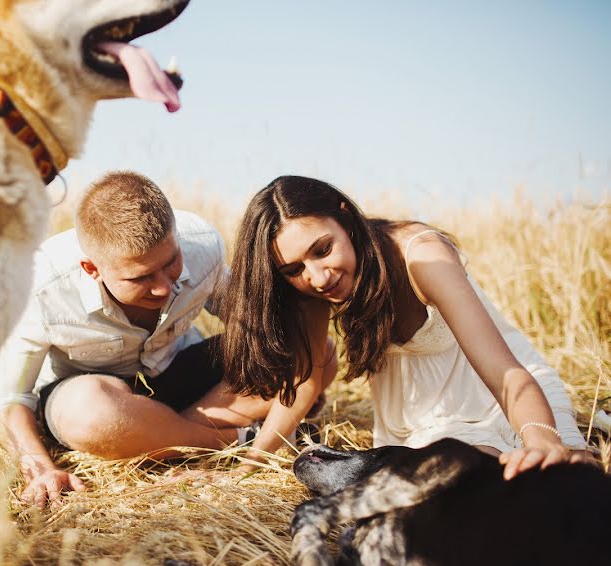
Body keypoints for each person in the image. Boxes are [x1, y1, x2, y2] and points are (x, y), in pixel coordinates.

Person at [0, 172, 335, 507]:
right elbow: (8, 397)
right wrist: (40, 468)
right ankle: (232, 441)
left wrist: (286, 361)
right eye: (140, 277)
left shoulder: (202, 244)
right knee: (88, 415)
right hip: (97, 395)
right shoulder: (37, 286)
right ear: (92, 269)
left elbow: (259, 329)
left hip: (177, 373)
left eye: (171, 262)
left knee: (313, 352)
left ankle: (161, 439)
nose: (164, 286)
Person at [220, 175, 592, 481]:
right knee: (462, 486)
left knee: (562, 480)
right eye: (294, 270)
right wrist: (247, 468)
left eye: (322, 250)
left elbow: (504, 372)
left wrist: (542, 437)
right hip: (423, 424)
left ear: (346, 219)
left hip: (509, 399)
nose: (316, 277)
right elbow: (309, 381)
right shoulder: (316, 286)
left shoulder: (423, 255)